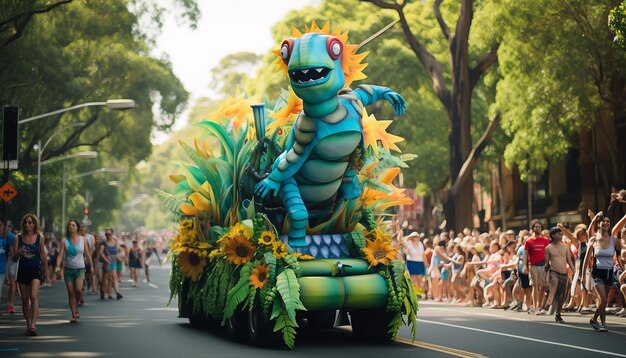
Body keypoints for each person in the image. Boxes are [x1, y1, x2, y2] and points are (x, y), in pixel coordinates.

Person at [582, 211, 624, 332]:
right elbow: (586, 258)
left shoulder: (615, 240)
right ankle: (603, 324)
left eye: (608, 221)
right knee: (604, 299)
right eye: (603, 221)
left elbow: (619, 256)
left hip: (609, 272)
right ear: (598, 224)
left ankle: (594, 319)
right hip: (597, 272)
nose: (606, 223)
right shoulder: (593, 239)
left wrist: (623, 269)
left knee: (602, 301)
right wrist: (583, 275)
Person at [12, 214, 48, 336]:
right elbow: (14, 258)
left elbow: (43, 254)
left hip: (35, 270)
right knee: (24, 300)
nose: (27, 225)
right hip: (22, 271)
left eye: (30, 222)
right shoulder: (18, 238)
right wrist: (19, 254)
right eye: (25, 222)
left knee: (33, 296)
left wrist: (46, 269)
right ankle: (28, 323)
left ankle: (33, 324)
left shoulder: (40, 238)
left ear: (34, 224)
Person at [55, 220, 93, 322]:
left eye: (73, 225)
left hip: (80, 269)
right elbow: (60, 255)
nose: (71, 227)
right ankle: (73, 313)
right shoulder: (64, 241)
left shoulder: (83, 239)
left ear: (77, 228)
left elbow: (88, 254)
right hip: (68, 270)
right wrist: (57, 267)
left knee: (79, 290)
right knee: (71, 293)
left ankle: (75, 307)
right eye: (69, 226)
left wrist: (91, 266)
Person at [544, 227, 575, 323]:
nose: (561, 235)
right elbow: (546, 264)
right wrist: (545, 276)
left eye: (561, 234)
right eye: (559, 234)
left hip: (564, 273)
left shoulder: (565, 247)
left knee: (562, 295)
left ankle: (558, 314)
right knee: (554, 281)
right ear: (553, 235)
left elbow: (569, 260)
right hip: (554, 272)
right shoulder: (548, 248)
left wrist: (575, 272)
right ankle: (549, 301)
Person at [523, 220, 550, 315]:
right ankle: (535, 308)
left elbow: (548, 253)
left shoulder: (546, 240)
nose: (537, 228)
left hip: (544, 266)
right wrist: (524, 266)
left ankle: (540, 305)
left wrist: (549, 264)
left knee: (544, 286)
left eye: (539, 227)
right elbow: (525, 255)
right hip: (533, 266)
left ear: (541, 228)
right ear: (532, 228)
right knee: (535, 285)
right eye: (535, 227)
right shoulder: (528, 241)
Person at [98, 228, 123, 300]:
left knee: (114, 277)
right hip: (106, 263)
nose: (108, 236)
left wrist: (120, 256)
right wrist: (106, 260)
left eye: (109, 234)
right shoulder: (104, 243)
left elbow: (120, 250)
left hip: (114, 262)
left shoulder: (115, 242)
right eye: (106, 234)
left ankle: (117, 293)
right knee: (106, 278)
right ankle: (103, 291)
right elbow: (100, 253)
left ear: (112, 234)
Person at [404, 231, 425, 296]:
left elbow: (423, 254)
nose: (417, 238)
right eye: (415, 236)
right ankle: (415, 293)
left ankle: (421, 292)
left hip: (420, 262)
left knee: (420, 277)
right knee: (413, 278)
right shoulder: (408, 243)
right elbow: (406, 253)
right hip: (411, 262)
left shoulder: (420, 244)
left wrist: (425, 263)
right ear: (412, 237)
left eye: (418, 236)